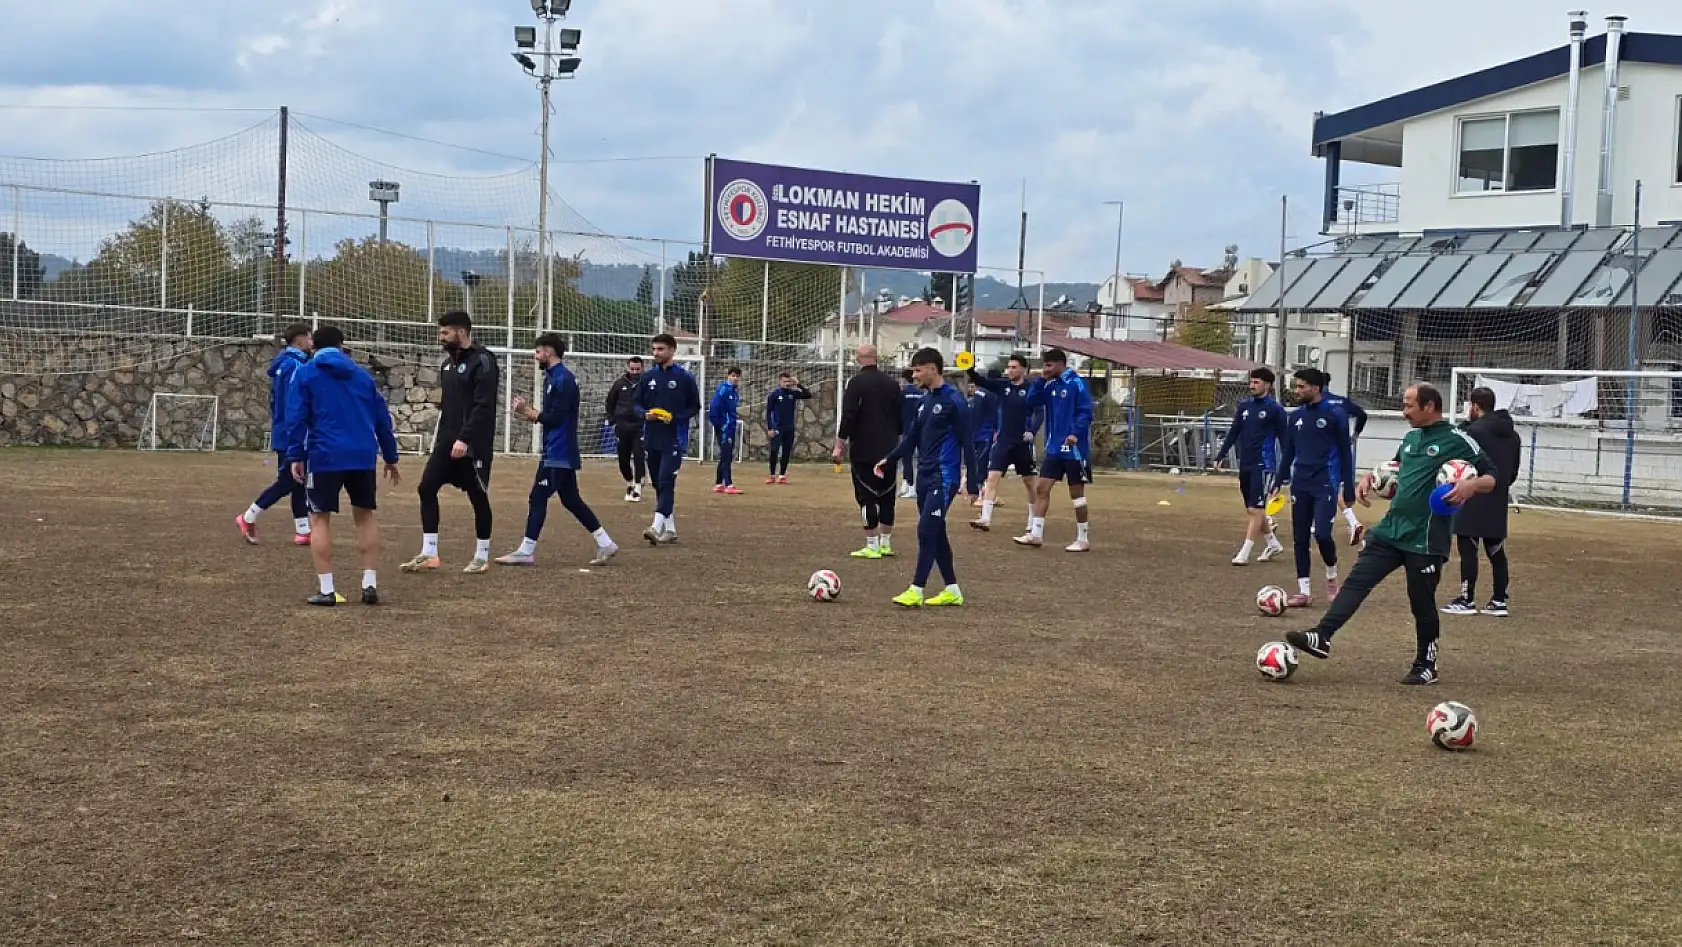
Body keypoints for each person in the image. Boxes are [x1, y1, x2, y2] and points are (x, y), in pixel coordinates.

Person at [1287, 383, 1499, 685]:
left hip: (1425, 538)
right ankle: (1322, 636)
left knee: (1420, 602)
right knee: (1357, 583)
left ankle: (1426, 664)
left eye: (1409, 405)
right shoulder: (1411, 437)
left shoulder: (1458, 439)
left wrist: (1471, 485)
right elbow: (1398, 468)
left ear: (1429, 406)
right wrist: (1370, 477)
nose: (1404, 411)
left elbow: (1493, 477)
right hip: (1390, 530)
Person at [277, 325, 401, 606]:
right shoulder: (362, 376)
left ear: (313, 347)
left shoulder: (305, 373)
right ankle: (369, 583)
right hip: (362, 455)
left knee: (319, 518)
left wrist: (295, 454)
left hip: (325, 455)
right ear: (342, 345)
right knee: (365, 516)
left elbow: (295, 417)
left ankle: (327, 589)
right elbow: (382, 418)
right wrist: (391, 456)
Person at [495, 333, 618, 568]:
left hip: (559, 452)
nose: (535, 356)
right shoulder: (554, 378)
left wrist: (528, 411)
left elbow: (557, 418)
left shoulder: (563, 380)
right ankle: (605, 542)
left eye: (538, 351)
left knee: (539, 496)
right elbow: (553, 418)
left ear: (549, 351)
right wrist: (530, 414)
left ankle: (526, 550)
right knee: (570, 499)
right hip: (555, 449)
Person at [402, 310, 500, 575]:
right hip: (446, 441)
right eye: (440, 332)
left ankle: (481, 556)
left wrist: (465, 439)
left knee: (478, 496)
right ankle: (430, 553)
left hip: (472, 443)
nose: (441, 337)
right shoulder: (447, 365)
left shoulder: (484, 361)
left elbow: (483, 406)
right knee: (426, 488)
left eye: (445, 332)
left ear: (461, 332)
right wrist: (446, 437)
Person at [877, 347, 967, 606]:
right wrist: (890, 458)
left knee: (926, 530)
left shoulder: (954, 401)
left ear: (933, 368)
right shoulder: (924, 401)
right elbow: (912, 437)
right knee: (936, 532)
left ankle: (916, 589)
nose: (914, 376)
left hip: (944, 477)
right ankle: (952, 590)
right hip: (924, 478)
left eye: (918, 370)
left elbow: (967, 440)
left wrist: (973, 481)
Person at [1276, 368, 1355, 607]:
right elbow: (1289, 451)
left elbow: (1344, 451)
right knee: (1300, 538)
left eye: (1301, 387)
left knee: (1322, 534)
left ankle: (1331, 576)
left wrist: (1348, 486)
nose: (1297, 391)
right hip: (1300, 483)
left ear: (1316, 388)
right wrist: (1279, 479)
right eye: (1296, 386)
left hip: (1324, 483)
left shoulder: (1335, 414)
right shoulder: (1296, 416)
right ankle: (1304, 591)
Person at [1443, 386, 1521, 617]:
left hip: (1472, 494)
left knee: (1468, 549)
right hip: (1497, 497)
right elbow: (1513, 471)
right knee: (1496, 550)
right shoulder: (1514, 435)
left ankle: (1467, 599)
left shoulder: (1471, 432)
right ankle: (1499, 601)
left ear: (1475, 406)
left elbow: (1454, 461)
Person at [236, 322, 315, 546]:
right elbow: (295, 403)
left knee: (298, 480)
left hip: (285, 428)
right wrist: (297, 431)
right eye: (309, 338)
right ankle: (248, 516)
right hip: (293, 431)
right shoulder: (296, 366)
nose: (311, 343)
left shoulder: (283, 364)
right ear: (299, 340)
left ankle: (303, 530)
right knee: (291, 479)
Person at [1016, 348, 1094, 552]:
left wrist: (1076, 433)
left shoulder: (1076, 383)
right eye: (1045, 365)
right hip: (1054, 447)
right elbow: (1031, 401)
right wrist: (1041, 380)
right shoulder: (1049, 385)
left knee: (1076, 493)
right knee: (1042, 488)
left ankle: (1082, 538)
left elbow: (1086, 412)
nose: (1046, 369)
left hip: (1074, 447)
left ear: (1061, 363)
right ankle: (1036, 534)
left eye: (1049, 365)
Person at [1211, 366, 1289, 565]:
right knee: (1254, 510)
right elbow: (1234, 431)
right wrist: (1220, 455)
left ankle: (1244, 553)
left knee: (1256, 509)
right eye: (1251, 381)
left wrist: (1285, 469)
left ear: (1268, 385)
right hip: (1245, 463)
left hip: (1264, 465)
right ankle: (1272, 543)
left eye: (1256, 382)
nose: (1251, 385)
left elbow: (1286, 439)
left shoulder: (1275, 409)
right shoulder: (1244, 406)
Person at [834, 344, 902, 559]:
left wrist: (839, 445)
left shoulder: (856, 383)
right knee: (887, 497)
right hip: (890, 449)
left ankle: (871, 544)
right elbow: (901, 420)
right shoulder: (893, 384)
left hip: (864, 449)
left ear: (858, 359)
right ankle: (886, 543)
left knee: (866, 496)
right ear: (876, 358)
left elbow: (849, 415)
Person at [635, 333, 702, 545]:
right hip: (652, 439)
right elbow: (636, 404)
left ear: (672, 350)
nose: (656, 353)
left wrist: (675, 418)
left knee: (665, 481)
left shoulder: (684, 378)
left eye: (660, 349)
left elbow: (695, 407)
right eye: (654, 349)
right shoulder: (647, 377)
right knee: (659, 484)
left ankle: (655, 526)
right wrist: (645, 415)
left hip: (674, 439)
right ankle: (670, 529)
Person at [967, 354, 1043, 534]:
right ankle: (985, 518)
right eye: (1009, 367)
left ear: (1024, 369)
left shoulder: (1031, 389)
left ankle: (1032, 520)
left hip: (1021, 443)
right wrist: (968, 367)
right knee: (992, 478)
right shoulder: (1003, 386)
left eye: (1014, 367)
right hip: (1003, 441)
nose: (1010, 370)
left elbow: (1039, 413)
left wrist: (1031, 431)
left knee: (1030, 483)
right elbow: (981, 380)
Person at [1321, 374, 1370, 546]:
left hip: (1326, 452)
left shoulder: (1317, 403)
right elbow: (1362, 415)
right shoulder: (1341, 401)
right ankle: (1347, 522)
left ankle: (1350, 522)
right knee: (1341, 486)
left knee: (1327, 487)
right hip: (1344, 451)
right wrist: (1355, 435)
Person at [605, 355, 647, 502]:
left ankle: (638, 487)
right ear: (627, 367)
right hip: (622, 427)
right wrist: (612, 421)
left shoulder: (647, 383)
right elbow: (610, 403)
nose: (635, 371)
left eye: (638, 369)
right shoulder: (619, 384)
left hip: (640, 426)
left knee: (639, 457)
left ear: (643, 368)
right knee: (623, 459)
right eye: (632, 368)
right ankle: (629, 484)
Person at [764, 372, 812, 483]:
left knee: (786, 451)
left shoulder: (793, 393)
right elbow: (769, 412)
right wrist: (770, 428)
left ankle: (782, 475)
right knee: (774, 450)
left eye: (788, 381)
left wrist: (798, 384)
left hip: (789, 427)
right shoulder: (774, 395)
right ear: (780, 382)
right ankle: (772, 475)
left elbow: (808, 394)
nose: (787, 384)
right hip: (777, 427)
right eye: (784, 381)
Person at [962, 376, 1000, 507]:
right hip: (985, 435)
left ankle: (984, 493)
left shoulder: (975, 398)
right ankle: (979, 494)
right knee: (983, 464)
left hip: (977, 435)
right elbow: (994, 415)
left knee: (980, 463)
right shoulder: (989, 395)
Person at [708, 367, 744, 494]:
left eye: (737, 376)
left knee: (725, 455)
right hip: (725, 428)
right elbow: (713, 407)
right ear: (728, 376)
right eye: (733, 375)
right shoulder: (724, 389)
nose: (735, 378)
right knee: (727, 455)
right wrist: (719, 425)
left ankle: (718, 483)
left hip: (730, 427)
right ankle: (728, 484)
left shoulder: (734, 392)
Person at [897, 368, 922, 499]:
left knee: (907, 459)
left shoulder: (903, 394)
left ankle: (911, 488)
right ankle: (906, 485)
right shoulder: (921, 393)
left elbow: (898, 412)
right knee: (921, 459)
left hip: (908, 430)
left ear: (904, 379)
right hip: (920, 430)